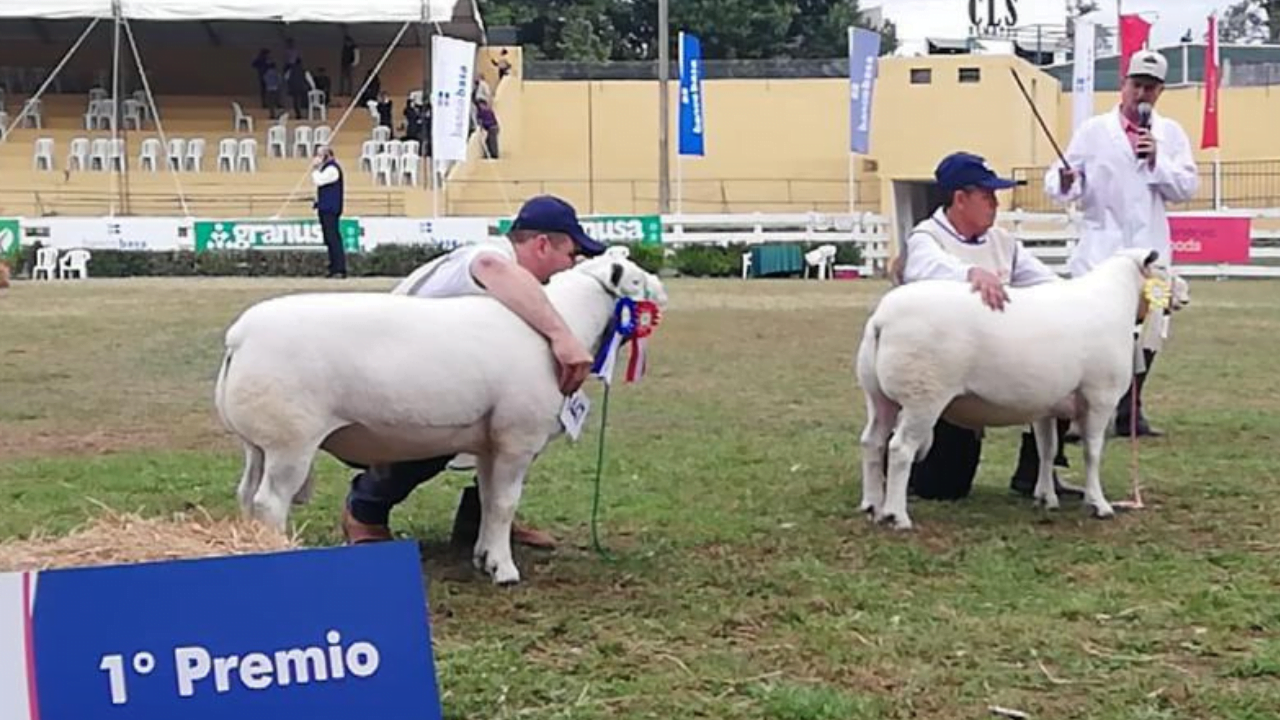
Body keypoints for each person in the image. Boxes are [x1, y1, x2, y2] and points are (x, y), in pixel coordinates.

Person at [340, 195, 608, 548]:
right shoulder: (491, 256)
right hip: (389, 387)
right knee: (448, 420)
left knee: (516, 421)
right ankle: (365, 511)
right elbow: (489, 267)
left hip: (420, 372)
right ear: (542, 244)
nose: (570, 266)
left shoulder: (514, 276)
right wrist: (563, 337)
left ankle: (484, 519)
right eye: (571, 255)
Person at [890, 151, 1083, 501]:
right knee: (944, 488)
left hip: (997, 360)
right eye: (986, 195)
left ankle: (1037, 470)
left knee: (1060, 367)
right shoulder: (927, 237)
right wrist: (969, 274)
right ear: (959, 199)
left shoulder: (1003, 242)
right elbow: (922, 269)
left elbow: (1047, 281)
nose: (995, 204)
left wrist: (1079, 300)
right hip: (945, 366)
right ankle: (898, 457)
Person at [1044, 49, 1198, 437]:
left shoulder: (1171, 134)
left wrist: (1157, 160)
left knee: (1153, 327)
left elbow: (1186, 188)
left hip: (1152, 251)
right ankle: (1082, 412)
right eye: (1136, 86)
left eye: (1150, 88)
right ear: (1123, 86)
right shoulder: (1094, 131)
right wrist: (1065, 180)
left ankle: (1133, 409)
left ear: (1160, 92)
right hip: (1102, 249)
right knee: (1093, 331)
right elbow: (1063, 181)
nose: (1141, 95)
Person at [310, 146, 346, 279]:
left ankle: (339, 268)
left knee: (333, 238)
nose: (318, 158)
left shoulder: (332, 169)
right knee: (329, 239)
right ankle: (333, 267)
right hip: (325, 208)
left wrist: (315, 168)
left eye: (320, 155)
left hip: (331, 209)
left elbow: (319, 181)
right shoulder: (327, 169)